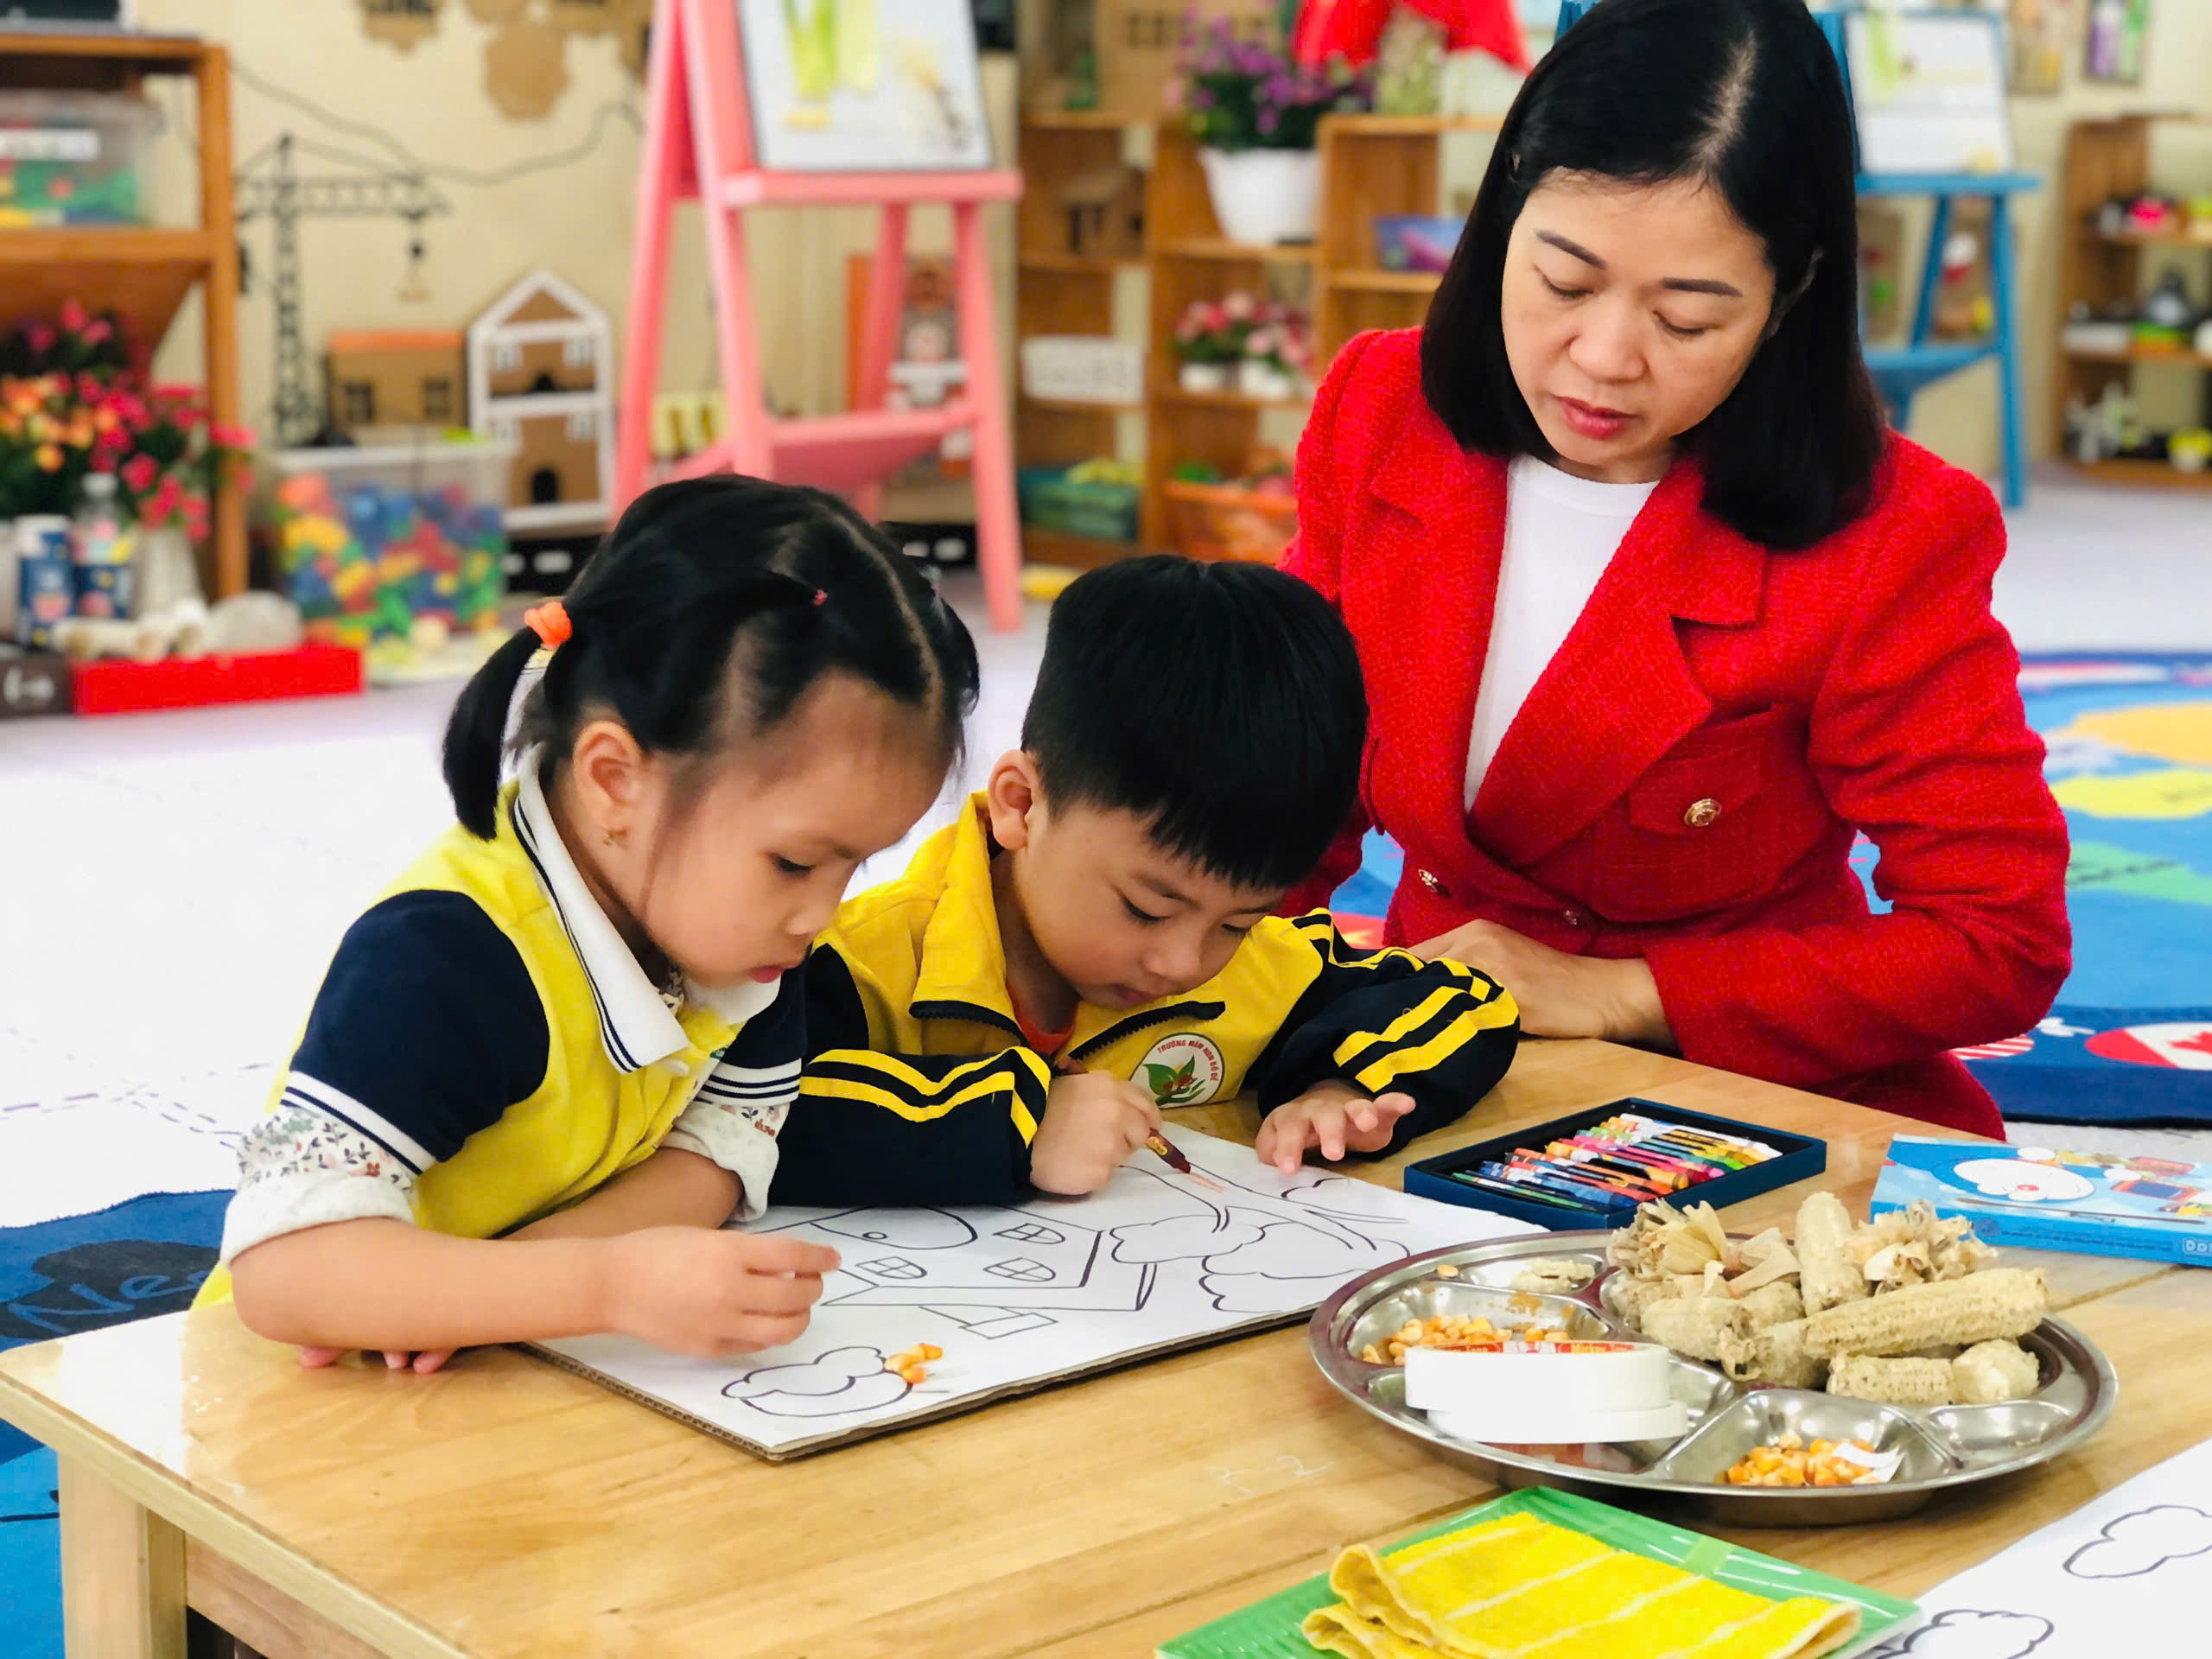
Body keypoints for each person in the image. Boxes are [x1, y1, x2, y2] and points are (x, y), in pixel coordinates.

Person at [1282, 0, 2069, 1135]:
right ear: (1504, 214)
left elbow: (1998, 937)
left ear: (1789, 298)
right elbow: (1279, 792)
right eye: (1564, 282)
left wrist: (1622, 994)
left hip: (1747, 1099)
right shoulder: (1383, 408)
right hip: (1423, 1072)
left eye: (1689, 320)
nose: (1605, 358)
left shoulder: (1893, 531)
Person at [200, 475, 981, 1370]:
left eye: (859, 864)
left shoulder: (751, 946)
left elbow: (718, 1156)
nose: (823, 913)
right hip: (281, 1401)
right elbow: (283, 1271)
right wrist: (604, 1286)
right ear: (614, 779)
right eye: (797, 863)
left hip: (485, 1379)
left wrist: (497, 1296)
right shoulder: (447, 955)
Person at [774, 556, 1521, 1205]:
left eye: (1237, 923)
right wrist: (1016, 1126)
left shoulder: (1257, 973)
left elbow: (1468, 1000)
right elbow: (744, 1113)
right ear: (1021, 805)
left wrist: (1344, 1088)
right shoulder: (855, 964)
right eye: (1146, 908)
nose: (1182, 963)